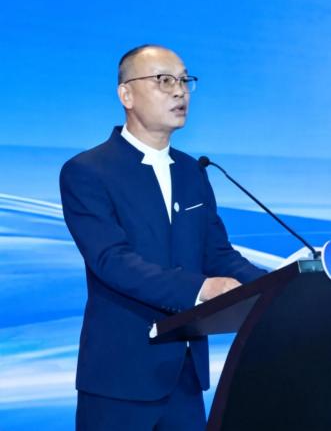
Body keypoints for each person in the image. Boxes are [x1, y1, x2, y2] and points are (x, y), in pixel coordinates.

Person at [60, 44, 267, 430]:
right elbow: (112, 260)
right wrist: (201, 288)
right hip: (119, 377)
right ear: (126, 94)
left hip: (185, 376)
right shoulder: (87, 171)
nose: (180, 91)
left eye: (185, 81)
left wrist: (279, 287)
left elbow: (218, 255)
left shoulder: (193, 172)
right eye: (164, 80)